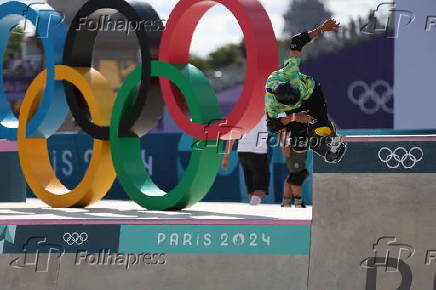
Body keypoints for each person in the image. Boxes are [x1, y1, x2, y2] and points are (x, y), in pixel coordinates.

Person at [265, 19, 346, 208]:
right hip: (291, 114)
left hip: (311, 93)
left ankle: (325, 132)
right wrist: (294, 116)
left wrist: (320, 29)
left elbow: (296, 41)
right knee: (300, 139)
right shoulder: (272, 105)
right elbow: (272, 126)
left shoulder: (289, 71)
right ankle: (313, 138)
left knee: (319, 135)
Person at [222, 115, 270, 206]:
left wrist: (225, 157)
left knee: (251, 189)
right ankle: (253, 205)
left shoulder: (243, 114)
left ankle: (253, 211)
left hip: (242, 152)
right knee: (261, 189)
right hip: (257, 153)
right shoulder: (266, 110)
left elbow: (232, 136)